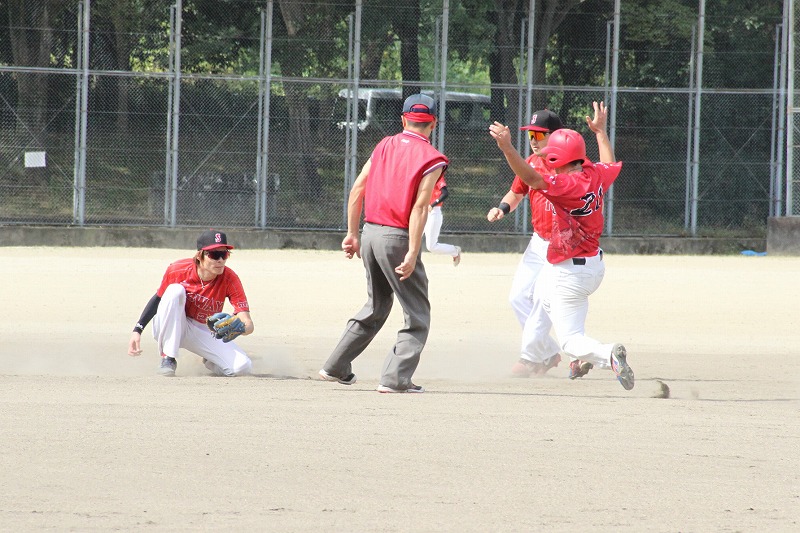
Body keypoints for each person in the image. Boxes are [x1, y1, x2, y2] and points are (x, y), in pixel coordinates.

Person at [488, 101, 634, 390]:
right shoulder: (593, 173)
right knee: (541, 301)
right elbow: (608, 163)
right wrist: (600, 133)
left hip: (568, 270)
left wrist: (507, 148)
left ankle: (604, 354)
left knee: (570, 338)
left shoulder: (567, 185)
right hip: (590, 264)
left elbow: (532, 179)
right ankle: (543, 356)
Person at [318, 94, 447, 393]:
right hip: (397, 238)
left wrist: (352, 233)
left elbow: (357, 188)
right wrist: (412, 251)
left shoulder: (384, 145)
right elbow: (420, 207)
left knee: (376, 304)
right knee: (417, 313)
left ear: (403, 119)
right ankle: (395, 379)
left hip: (370, 233)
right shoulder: (432, 158)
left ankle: (335, 365)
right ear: (433, 123)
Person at [486, 109, 592, 380]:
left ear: (556, 136)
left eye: (539, 135)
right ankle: (550, 353)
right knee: (518, 297)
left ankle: (546, 356)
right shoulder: (531, 162)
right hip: (538, 243)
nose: (533, 140)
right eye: (530, 134)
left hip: (564, 246)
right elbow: (517, 191)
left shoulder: (573, 165)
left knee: (548, 302)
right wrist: (502, 208)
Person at [127, 229, 255, 377]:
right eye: (214, 255)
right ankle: (168, 358)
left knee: (242, 367)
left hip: (201, 330)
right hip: (170, 324)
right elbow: (159, 298)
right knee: (175, 290)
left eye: (224, 254)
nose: (220, 260)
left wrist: (241, 328)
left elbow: (248, 323)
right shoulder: (178, 269)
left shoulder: (230, 278)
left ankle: (211, 360)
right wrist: (137, 330)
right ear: (200, 255)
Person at [424, 174, 462, 266]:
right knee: (411, 240)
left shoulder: (437, 176)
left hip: (433, 212)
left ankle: (454, 251)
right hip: (421, 211)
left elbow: (445, 193)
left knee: (431, 247)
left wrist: (432, 204)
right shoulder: (422, 175)